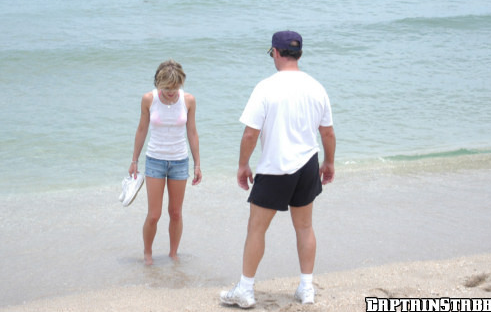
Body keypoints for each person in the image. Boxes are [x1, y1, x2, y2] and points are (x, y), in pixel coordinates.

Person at [220, 31, 336, 308]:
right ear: (299, 54)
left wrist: (242, 165)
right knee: (305, 227)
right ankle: (306, 288)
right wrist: (329, 162)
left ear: (275, 52)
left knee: (256, 229)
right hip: (308, 163)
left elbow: (250, 134)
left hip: (275, 167)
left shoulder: (266, 87)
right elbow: (328, 133)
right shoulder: (316, 87)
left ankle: (246, 289)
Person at [128, 60, 202, 265]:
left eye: (175, 88)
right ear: (159, 84)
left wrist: (197, 164)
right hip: (155, 161)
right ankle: (148, 253)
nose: (171, 92)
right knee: (154, 214)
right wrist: (134, 160)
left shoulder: (188, 100)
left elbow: (192, 132)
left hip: (179, 161)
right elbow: (141, 129)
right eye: (167, 88)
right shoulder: (148, 99)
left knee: (176, 213)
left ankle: (173, 253)